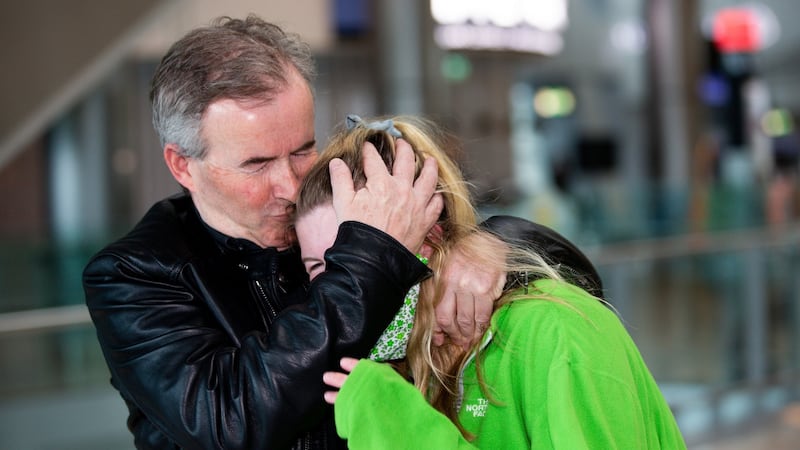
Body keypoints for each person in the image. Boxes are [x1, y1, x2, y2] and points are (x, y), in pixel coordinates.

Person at [82, 15, 583, 450]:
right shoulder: (133, 275)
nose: (291, 183)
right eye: (256, 164)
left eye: (302, 149)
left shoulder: (327, 215)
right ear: (182, 165)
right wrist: (373, 253)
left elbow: (582, 284)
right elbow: (231, 425)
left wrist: (488, 248)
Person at [293, 114, 687, 449]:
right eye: (318, 269)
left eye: (361, 254)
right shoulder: (408, 367)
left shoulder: (554, 332)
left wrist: (405, 429)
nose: (342, 285)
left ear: (428, 236)